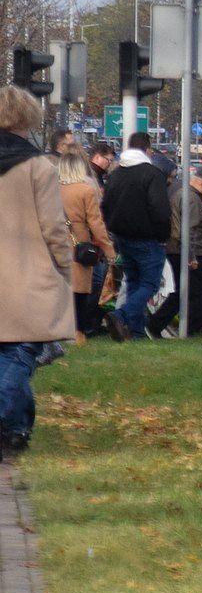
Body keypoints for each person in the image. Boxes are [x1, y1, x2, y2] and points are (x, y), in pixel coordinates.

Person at [0, 88, 73, 456]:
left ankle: (16, 426)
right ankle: (12, 424)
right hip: (25, 271)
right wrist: (63, 265)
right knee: (20, 350)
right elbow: (53, 227)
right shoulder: (38, 167)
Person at [100, 131, 171, 342]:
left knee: (133, 282)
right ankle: (121, 315)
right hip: (148, 238)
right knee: (150, 283)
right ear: (147, 149)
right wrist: (163, 235)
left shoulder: (115, 174)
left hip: (122, 237)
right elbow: (160, 210)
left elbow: (105, 205)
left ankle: (135, 331)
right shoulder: (151, 174)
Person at [149, 164, 202, 339]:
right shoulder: (192, 198)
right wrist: (191, 256)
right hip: (186, 251)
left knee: (184, 292)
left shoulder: (183, 194)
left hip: (178, 249)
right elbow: (191, 229)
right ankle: (194, 331)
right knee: (199, 293)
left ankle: (155, 325)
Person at [57, 149, 114, 345]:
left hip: (55, 240)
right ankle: (78, 332)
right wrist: (108, 248)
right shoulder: (85, 190)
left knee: (59, 288)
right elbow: (96, 223)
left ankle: (57, 332)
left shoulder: (52, 188)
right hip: (78, 242)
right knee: (80, 290)